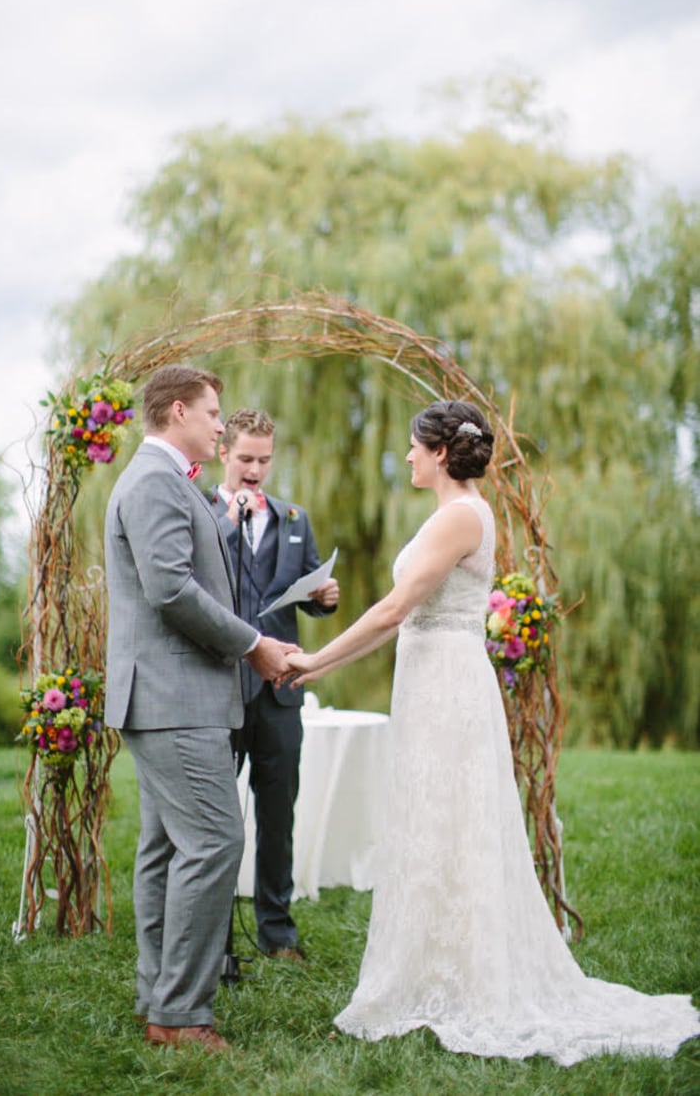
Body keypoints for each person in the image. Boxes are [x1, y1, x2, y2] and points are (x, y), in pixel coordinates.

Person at [285, 399, 699, 1066]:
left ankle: (463, 976)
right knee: (432, 823)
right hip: (430, 678)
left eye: (417, 446)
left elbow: (394, 607)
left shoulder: (457, 517)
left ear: (442, 452)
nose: (411, 455)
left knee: (453, 822)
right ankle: (431, 966)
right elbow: (397, 618)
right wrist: (320, 662)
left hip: (447, 685)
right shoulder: (457, 513)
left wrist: (315, 659)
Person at [103, 366, 298, 1053]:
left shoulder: (159, 477)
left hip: (164, 695)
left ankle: (159, 994)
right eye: (214, 414)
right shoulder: (156, 480)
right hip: (172, 696)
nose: (222, 426)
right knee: (215, 840)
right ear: (177, 410)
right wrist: (253, 645)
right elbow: (170, 589)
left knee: (166, 846)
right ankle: (182, 1013)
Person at [207, 408, 339, 960]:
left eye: (264, 459)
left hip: (282, 692)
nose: (256, 469)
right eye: (245, 459)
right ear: (224, 455)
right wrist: (226, 526)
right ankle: (212, 938)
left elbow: (303, 591)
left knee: (278, 812)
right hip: (220, 687)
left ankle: (278, 931)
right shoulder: (202, 512)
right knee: (215, 819)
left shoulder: (293, 520)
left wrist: (323, 600)